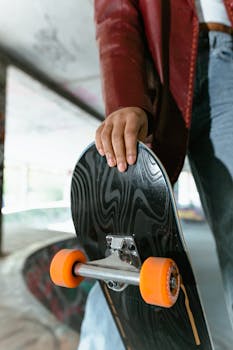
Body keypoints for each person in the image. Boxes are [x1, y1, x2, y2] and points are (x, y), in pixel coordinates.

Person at [78, 1, 233, 349]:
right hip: (161, 69)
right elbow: (116, 13)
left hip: (228, 57)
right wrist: (125, 98)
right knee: (125, 238)